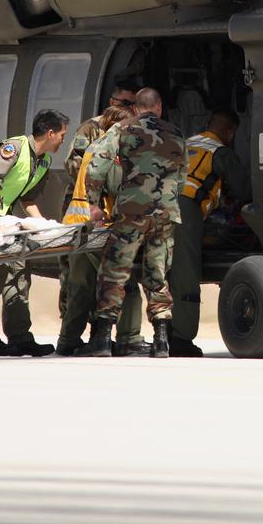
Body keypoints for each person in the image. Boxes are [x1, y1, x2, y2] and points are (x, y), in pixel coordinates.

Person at [81, 86, 186, 358]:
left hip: (132, 210)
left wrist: (94, 203)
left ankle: (103, 339)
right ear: (159, 107)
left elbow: (97, 165)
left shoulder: (122, 128)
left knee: (115, 270)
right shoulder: (176, 133)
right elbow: (182, 175)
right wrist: (168, 200)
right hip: (166, 212)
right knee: (157, 272)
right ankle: (161, 340)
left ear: (136, 108)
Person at [0, 109, 69, 357]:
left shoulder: (43, 161)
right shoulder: (14, 149)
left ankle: (20, 337)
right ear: (50, 133)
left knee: (19, 274)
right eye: (62, 135)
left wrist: (44, 225)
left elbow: (28, 198)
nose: (63, 140)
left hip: (9, 224)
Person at [57, 103, 147, 356]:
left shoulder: (92, 148)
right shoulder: (112, 151)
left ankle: (68, 340)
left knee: (80, 286)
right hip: (97, 228)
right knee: (124, 281)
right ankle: (129, 338)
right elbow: (117, 188)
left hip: (76, 221)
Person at [170, 108, 250, 357]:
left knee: (160, 270)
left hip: (158, 204)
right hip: (185, 207)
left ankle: (161, 333)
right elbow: (243, 190)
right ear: (230, 131)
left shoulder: (186, 142)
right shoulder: (221, 152)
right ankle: (180, 338)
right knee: (185, 270)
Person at [65, 82, 137, 184]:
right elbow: (73, 163)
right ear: (112, 102)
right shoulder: (91, 128)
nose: (131, 108)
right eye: (126, 103)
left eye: (135, 104)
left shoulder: (135, 129)